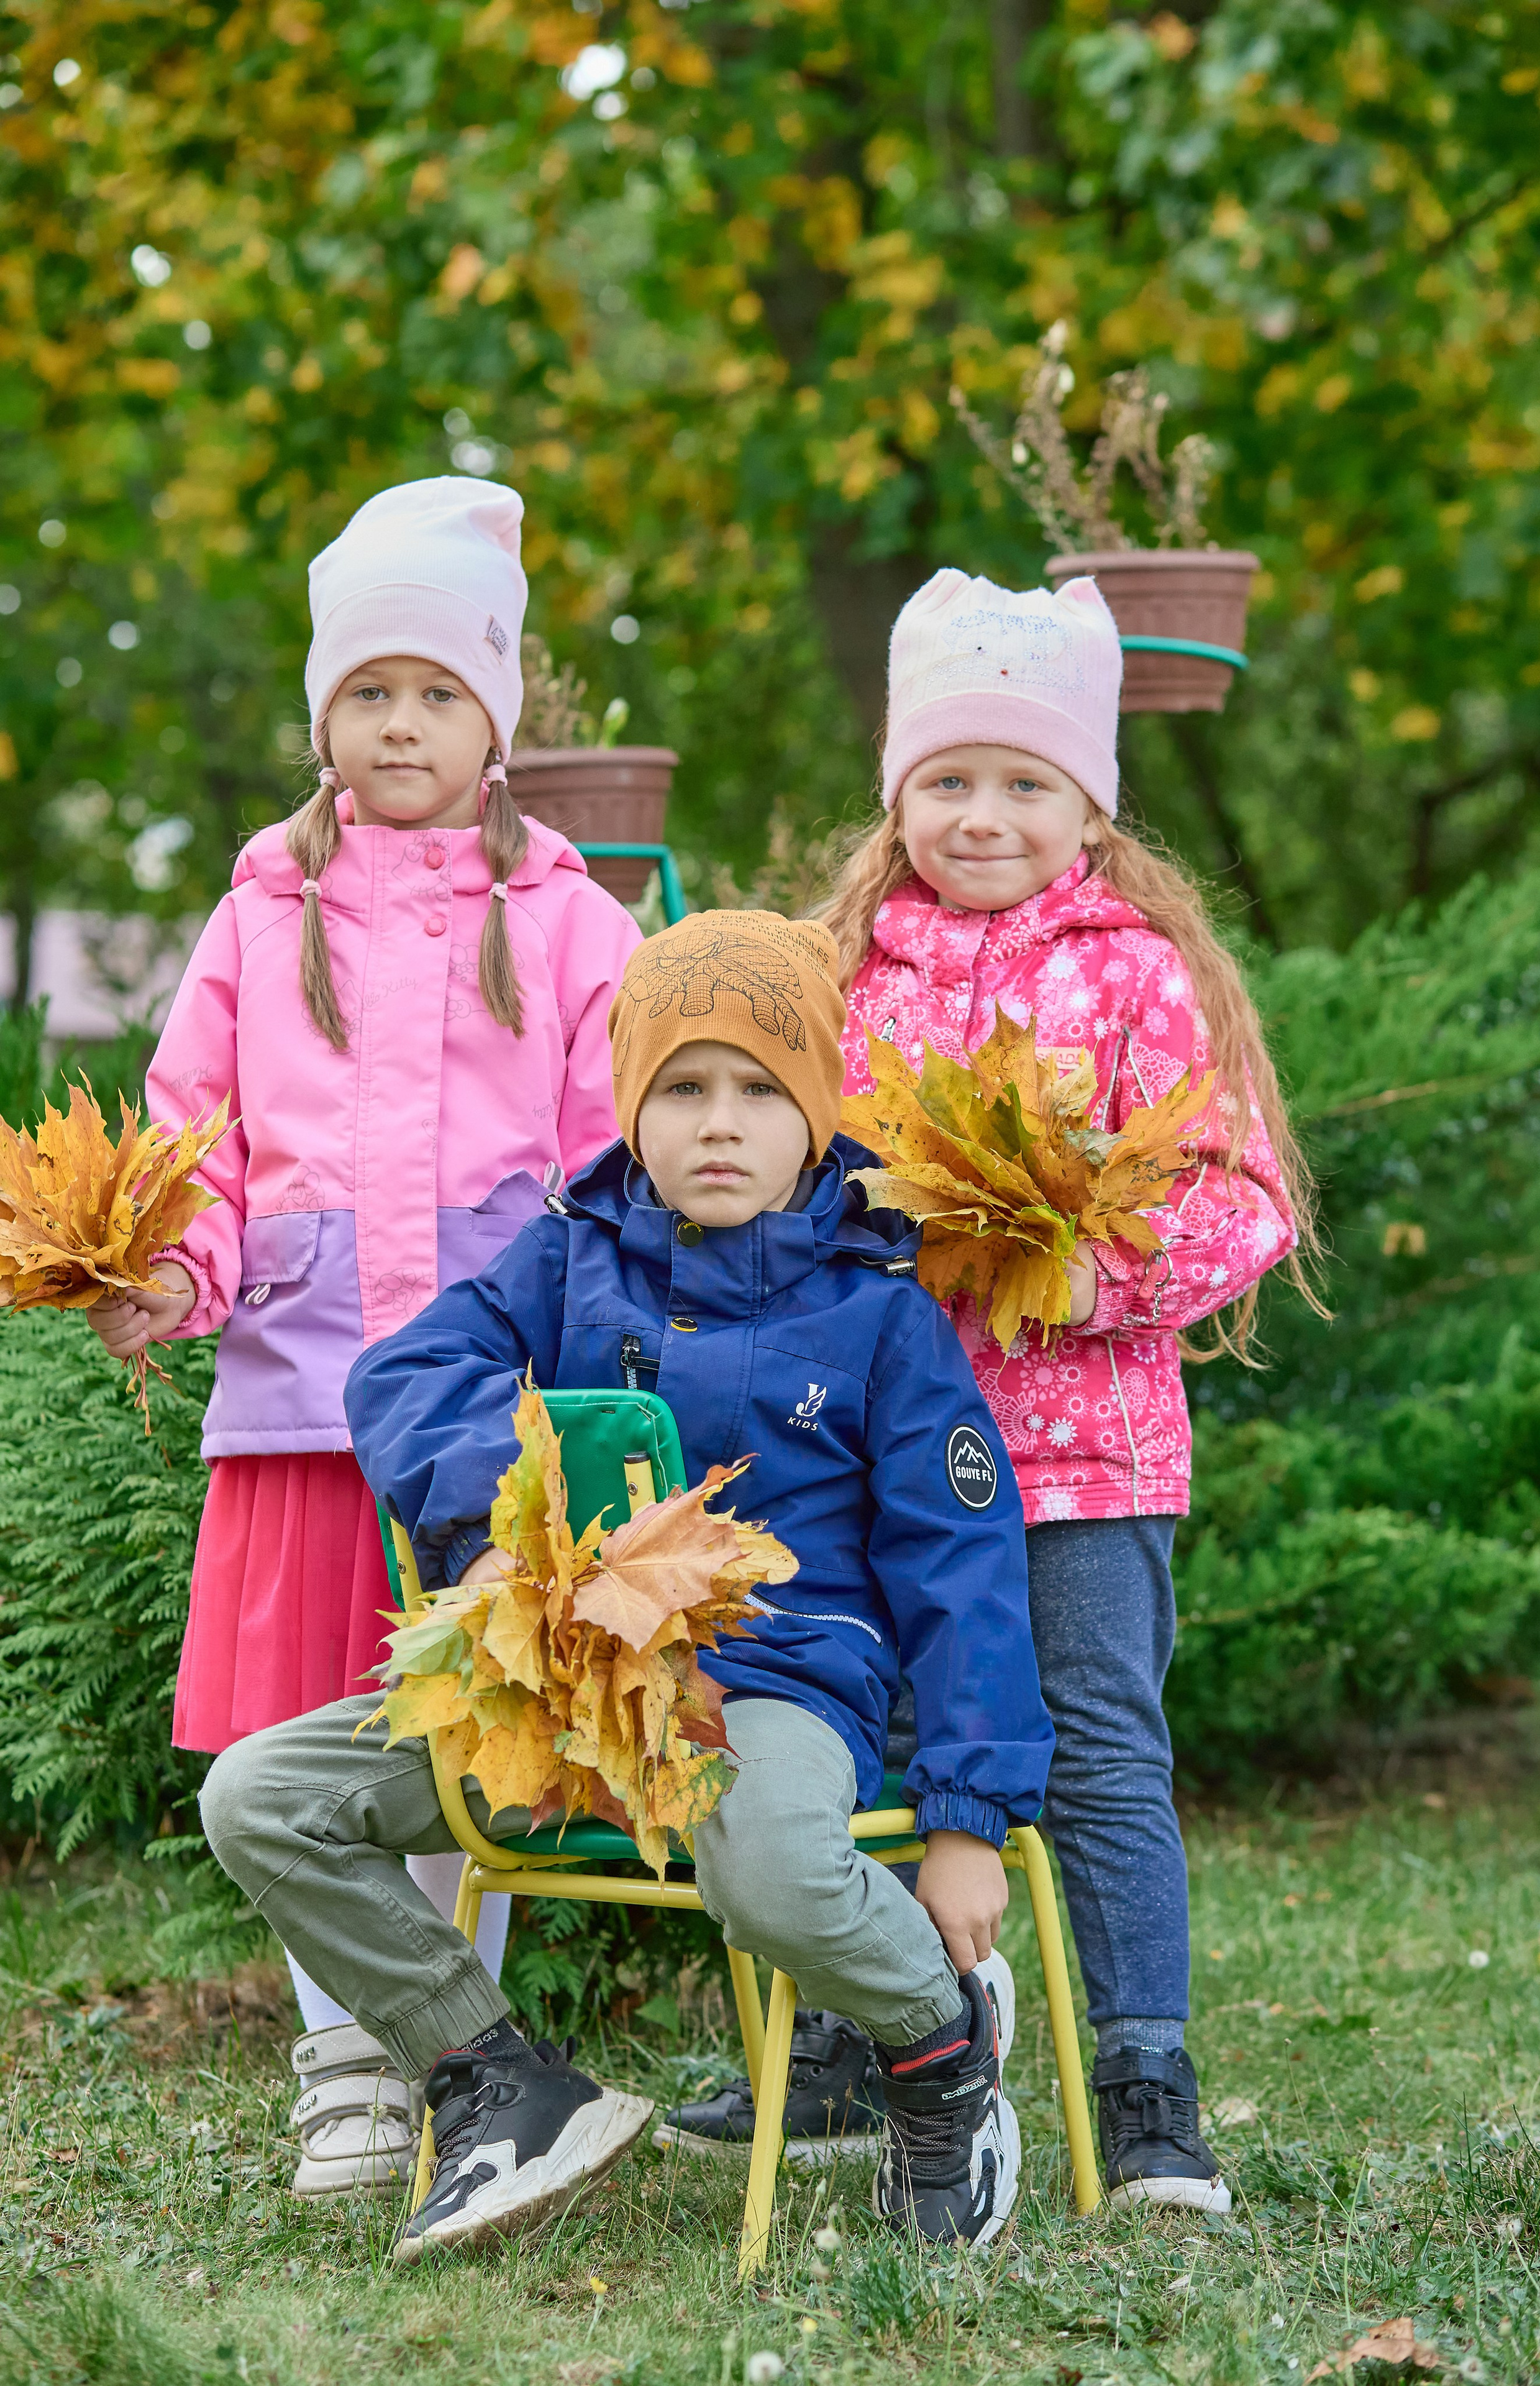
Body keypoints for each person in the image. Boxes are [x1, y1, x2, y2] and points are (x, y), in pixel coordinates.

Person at [198, 910, 1055, 2261]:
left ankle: (938, 2052)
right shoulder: (569, 1255)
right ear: (630, 1107)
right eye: (680, 1088)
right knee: (263, 1798)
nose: (719, 1124)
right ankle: (497, 2079)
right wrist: (495, 1514)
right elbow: (401, 1377)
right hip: (561, 1678)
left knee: (769, 1873)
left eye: (760, 1090)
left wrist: (964, 1817)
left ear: (818, 1115)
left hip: (763, 1685)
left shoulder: (882, 1310)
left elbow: (961, 1572)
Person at [670, 569, 1313, 2213]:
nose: (982, 814)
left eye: (1025, 783)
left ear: (1088, 807)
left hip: (1081, 1459)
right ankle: (842, 2055)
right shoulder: (836, 979)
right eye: (948, 780)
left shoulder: (1136, 975)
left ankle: (1147, 2083)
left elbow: (1245, 1198)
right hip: (868, 1466)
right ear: (897, 795)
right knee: (859, 1737)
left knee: (1097, 1755)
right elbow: (769, 1173)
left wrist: (1109, 1270)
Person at [84, 478, 639, 2196]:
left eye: (440, 694)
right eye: (369, 692)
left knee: (454, 1735)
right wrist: (172, 1270)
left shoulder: (566, 921)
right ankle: (352, 2063)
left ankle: (447, 2050)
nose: (402, 725)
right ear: (324, 709)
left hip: (489, 1425)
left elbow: (611, 1164)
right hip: (304, 1406)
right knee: (315, 1731)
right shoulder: (258, 917)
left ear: (503, 713)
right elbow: (200, 1145)